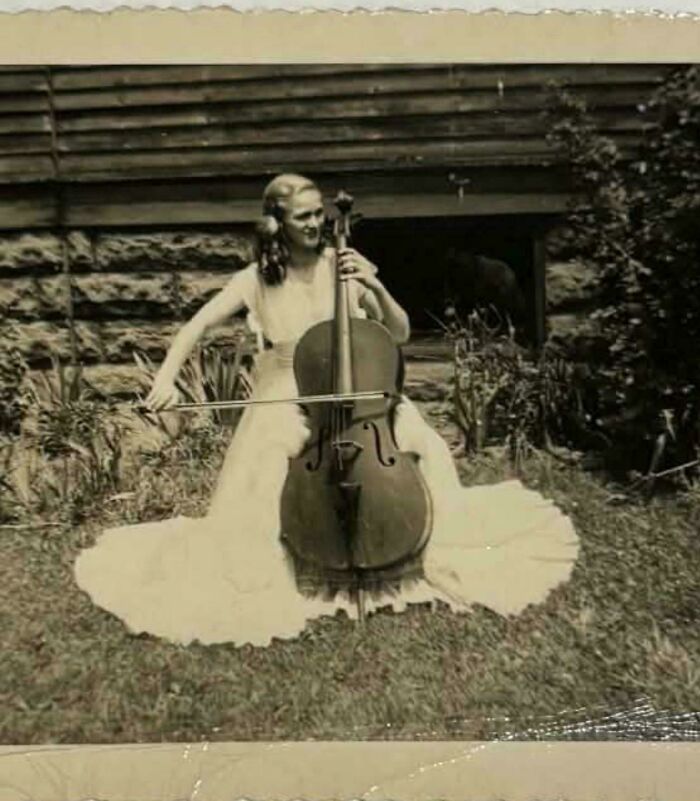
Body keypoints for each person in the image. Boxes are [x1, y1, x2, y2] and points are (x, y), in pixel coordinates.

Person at [74, 173, 579, 647]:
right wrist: (164, 379)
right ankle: (281, 564)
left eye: (320, 214)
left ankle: (421, 544)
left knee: (418, 437)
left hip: (359, 390)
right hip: (285, 389)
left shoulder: (345, 265)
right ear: (278, 224)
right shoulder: (256, 279)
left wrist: (373, 286)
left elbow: (399, 332)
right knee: (272, 454)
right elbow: (196, 328)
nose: (317, 224)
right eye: (304, 217)